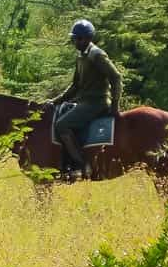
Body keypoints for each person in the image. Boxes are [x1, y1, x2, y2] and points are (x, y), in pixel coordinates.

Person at [50, 19, 122, 180]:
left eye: (78, 38)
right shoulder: (81, 56)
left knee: (62, 125)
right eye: (74, 39)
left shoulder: (96, 55)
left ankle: (82, 166)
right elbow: (75, 85)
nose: (75, 42)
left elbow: (116, 77)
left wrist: (115, 105)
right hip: (84, 102)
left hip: (97, 103)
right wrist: (56, 101)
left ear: (87, 38)